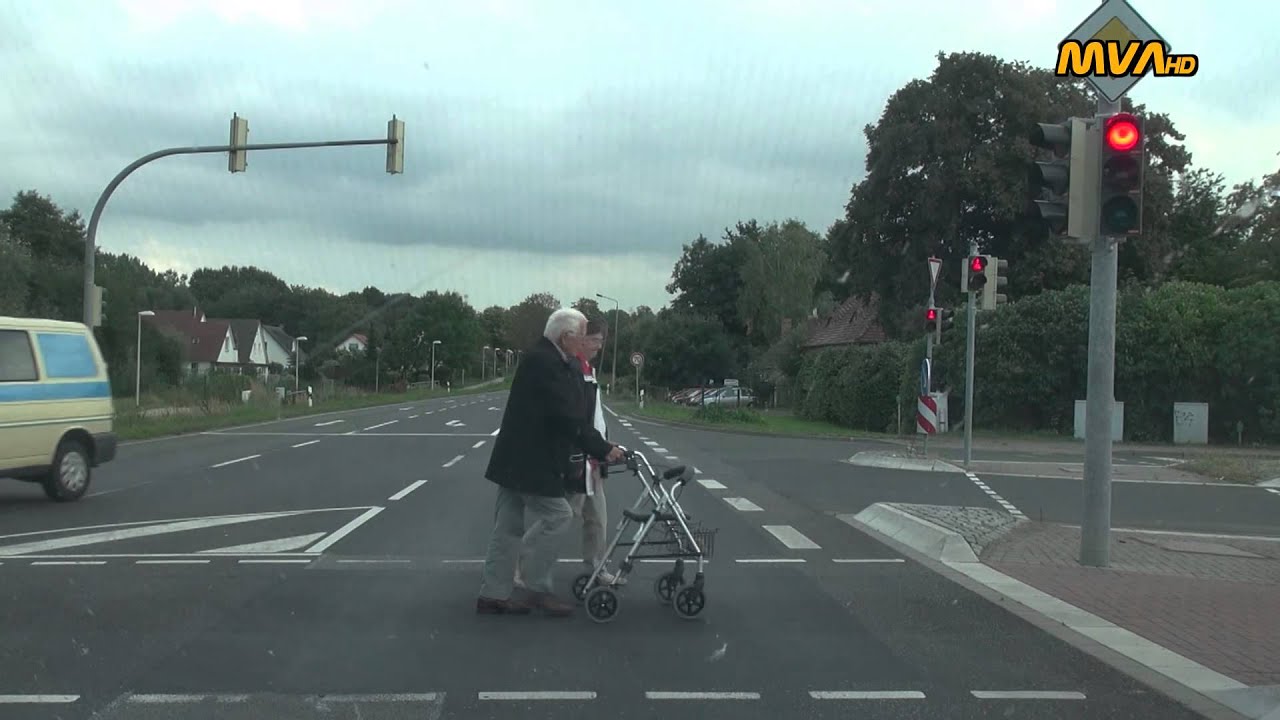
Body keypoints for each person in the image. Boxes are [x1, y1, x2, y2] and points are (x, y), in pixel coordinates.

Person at [476, 308, 623, 617]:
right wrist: (602, 449)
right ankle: (537, 589)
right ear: (566, 337)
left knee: (507, 527)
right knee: (559, 516)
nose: (584, 342)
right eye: (581, 336)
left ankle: (493, 593)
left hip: (513, 459)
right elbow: (566, 416)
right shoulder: (548, 364)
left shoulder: (541, 358)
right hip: (531, 461)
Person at [564, 319, 626, 585]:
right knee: (557, 518)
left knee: (598, 519)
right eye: (596, 340)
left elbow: (595, 416)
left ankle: (596, 569)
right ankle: (521, 566)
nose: (599, 346)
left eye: (601, 341)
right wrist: (598, 448)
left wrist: (603, 449)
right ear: (582, 339)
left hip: (593, 457)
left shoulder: (588, 370)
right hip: (578, 459)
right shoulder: (573, 370)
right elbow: (578, 420)